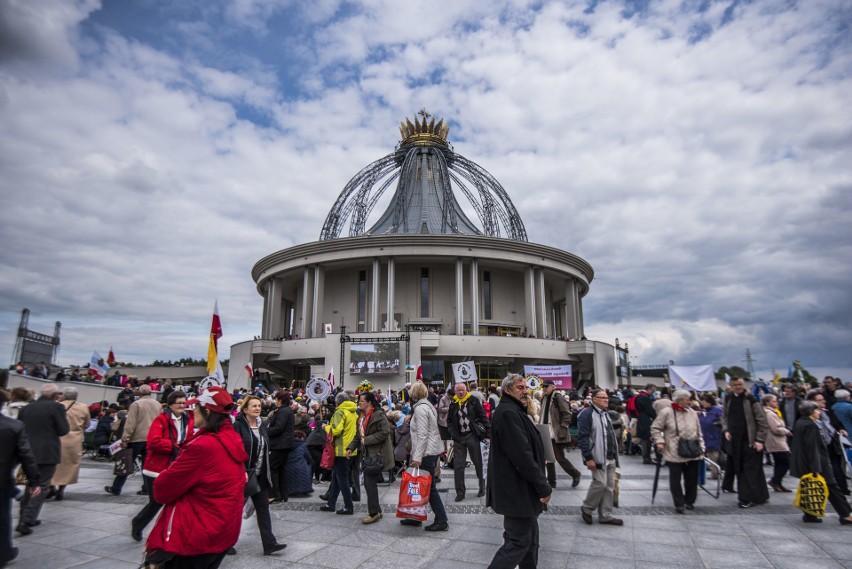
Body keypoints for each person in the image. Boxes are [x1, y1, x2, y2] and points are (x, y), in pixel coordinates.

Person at [145, 386, 248, 568]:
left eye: (196, 408)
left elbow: (162, 491)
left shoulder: (203, 446)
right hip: (222, 530)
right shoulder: (231, 438)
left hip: (196, 535)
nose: (193, 412)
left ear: (207, 410)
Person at [485, 374, 551, 569]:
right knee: (518, 543)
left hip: (522, 489)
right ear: (507, 390)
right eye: (520, 388)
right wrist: (542, 485)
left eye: (525, 387)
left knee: (530, 542)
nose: (525, 391)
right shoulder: (507, 412)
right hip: (516, 489)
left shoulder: (515, 410)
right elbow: (521, 454)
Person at [130, 391, 194, 542]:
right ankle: (139, 523)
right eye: (178, 402)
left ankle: (173, 533)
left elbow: (189, 438)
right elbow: (153, 442)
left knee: (177, 501)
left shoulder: (187, 419)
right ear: (170, 404)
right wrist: (175, 446)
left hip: (174, 468)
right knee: (157, 501)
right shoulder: (161, 419)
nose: (181, 405)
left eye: (184, 403)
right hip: (155, 468)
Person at [232, 395, 287, 556]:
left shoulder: (262, 424)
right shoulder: (238, 426)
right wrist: (241, 470)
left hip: (260, 474)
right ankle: (224, 542)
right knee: (234, 510)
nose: (257, 408)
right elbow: (235, 451)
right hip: (243, 474)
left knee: (263, 509)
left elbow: (264, 447)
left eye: (259, 406)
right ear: (245, 409)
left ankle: (269, 543)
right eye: (253, 406)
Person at [16, 383, 69, 535]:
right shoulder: (57, 407)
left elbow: (20, 428)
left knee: (30, 484)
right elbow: (63, 430)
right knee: (42, 485)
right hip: (47, 451)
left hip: (27, 451)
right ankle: (26, 520)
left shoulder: (27, 408)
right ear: (54, 395)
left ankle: (25, 517)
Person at [790, 400, 852, 525]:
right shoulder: (810, 425)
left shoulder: (801, 422)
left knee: (809, 487)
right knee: (832, 487)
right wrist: (816, 468)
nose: (819, 412)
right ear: (811, 412)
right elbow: (812, 448)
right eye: (817, 410)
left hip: (804, 462)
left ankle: (810, 515)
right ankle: (845, 514)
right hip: (817, 463)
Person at [1, 389, 41, 567]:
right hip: (2, 480)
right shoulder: (14, 426)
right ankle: (3, 552)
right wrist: (33, 481)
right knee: (2, 517)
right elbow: (26, 455)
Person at [651, 390, 705, 513]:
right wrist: (660, 441)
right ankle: (679, 503)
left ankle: (689, 501)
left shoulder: (692, 413)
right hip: (674, 451)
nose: (689, 401)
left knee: (692, 479)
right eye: (687, 399)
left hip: (692, 450)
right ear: (679, 400)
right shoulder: (666, 412)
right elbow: (655, 428)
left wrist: (702, 446)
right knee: (675, 479)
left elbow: (698, 431)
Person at [106, 384, 162, 496]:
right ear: (150, 393)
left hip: (136, 438)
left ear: (139, 393)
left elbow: (130, 424)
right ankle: (147, 488)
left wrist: (125, 438)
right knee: (147, 465)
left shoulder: (136, 404)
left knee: (127, 463)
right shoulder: (158, 404)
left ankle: (116, 488)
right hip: (152, 438)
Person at [722, 377, 770, 508]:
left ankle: (746, 498)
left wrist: (760, 439)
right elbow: (725, 416)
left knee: (750, 470)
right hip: (735, 441)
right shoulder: (728, 399)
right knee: (741, 469)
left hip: (750, 440)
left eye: (740, 384)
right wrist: (726, 429)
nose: (738, 387)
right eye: (736, 385)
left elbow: (762, 420)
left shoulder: (751, 399)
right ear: (731, 386)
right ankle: (759, 496)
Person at [347, 391, 393, 525]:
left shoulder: (378, 415)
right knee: (369, 483)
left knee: (368, 482)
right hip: (368, 454)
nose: (359, 403)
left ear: (369, 402)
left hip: (378, 454)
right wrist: (351, 447)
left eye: (361, 401)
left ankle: (374, 513)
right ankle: (376, 511)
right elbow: (358, 436)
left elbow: (385, 432)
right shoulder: (360, 416)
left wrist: (367, 440)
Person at [577, 389, 622, 526]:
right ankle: (587, 508)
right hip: (597, 456)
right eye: (602, 398)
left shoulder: (605, 414)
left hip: (610, 456)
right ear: (594, 399)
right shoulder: (586, 414)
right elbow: (583, 437)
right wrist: (588, 457)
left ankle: (605, 515)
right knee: (600, 483)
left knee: (608, 486)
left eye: (607, 398)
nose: (606, 400)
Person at [408, 381, 449, 531]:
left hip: (425, 453)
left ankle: (442, 519)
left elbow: (423, 435)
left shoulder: (420, 409)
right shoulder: (428, 407)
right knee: (422, 486)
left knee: (429, 487)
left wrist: (417, 457)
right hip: (429, 451)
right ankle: (415, 516)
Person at [447, 382, 490, 501]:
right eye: (458, 390)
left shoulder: (473, 400)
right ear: (455, 391)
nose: (460, 392)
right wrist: (453, 434)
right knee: (458, 466)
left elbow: (483, 417)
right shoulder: (453, 403)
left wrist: (488, 434)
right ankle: (460, 492)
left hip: (472, 436)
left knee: (478, 463)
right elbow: (449, 421)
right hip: (459, 438)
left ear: (466, 390)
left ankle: (482, 487)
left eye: (462, 390)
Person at [49, 386, 90, 501]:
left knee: (53, 465)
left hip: (57, 438)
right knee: (69, 466)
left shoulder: (57, 406)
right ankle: (61, 490)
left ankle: (51, 486)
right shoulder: (83, 407)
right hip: (75, 440)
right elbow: (87, 424)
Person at [319, 391, 357, 515]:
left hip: (341, 449)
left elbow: (336, 431)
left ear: (338, 402)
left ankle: (348, 506)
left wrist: (326, 427)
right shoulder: (353, 411)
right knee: (336, 477)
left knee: (342, 479)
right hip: (350, 448)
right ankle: (331, 503)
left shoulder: (340, 411)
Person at [539, 381, 582, 488]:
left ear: (553, 387)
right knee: (548, 458)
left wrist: (562, 427)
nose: (544, 388)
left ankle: (575, 473)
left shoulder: (557, 397)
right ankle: (552, 482)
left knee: (559, 457)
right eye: (543, 386)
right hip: (545, 431)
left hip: (555, 432)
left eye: (546, 386)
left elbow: (567, 414)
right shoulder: (544, 398)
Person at [267, 389, 295, 503]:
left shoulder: (283, 411)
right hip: (284, 444)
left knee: (273, 468)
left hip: (279, 444)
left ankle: (276, 494)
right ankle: (283, 494)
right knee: (281, 469)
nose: (275, 401)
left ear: (280, 400)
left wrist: (266, 430)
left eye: (276, 399)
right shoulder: (286, 410)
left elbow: (278, 428)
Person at [762, 394, 792, 493]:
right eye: (774, 401)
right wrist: (785, 431)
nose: (776, 402)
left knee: (779, 463)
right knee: (785, 462)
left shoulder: (773, 412)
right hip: (776, 441)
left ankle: (778, 483)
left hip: (777, 440)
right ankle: (775, 480)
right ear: (768, 402)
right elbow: (775, 428)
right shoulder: (769, 413)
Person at [698, 393, 723, 479]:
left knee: (714, 456)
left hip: (714, 436)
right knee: (707, 456)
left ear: (709, 402)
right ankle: (712, 472)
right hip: (705, 437)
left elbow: (722, 421)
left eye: (704, 402)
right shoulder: (703, 412)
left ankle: (715, 474)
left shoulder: (717, 410)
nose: (702, 403)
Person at [633, 384, 657, 464]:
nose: (653, 393)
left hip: (641, 419)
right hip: (645, 420)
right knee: (647, 439)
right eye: (653, 391)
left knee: (645, 440)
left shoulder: (639, 396)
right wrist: (655, 416)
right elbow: (650, 410)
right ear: (648, 389)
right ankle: (647, 458)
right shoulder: (645, 398)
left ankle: (646, 457)